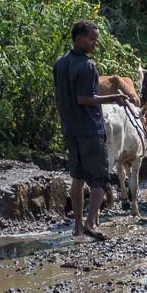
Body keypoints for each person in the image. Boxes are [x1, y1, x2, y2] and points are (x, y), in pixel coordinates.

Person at [53, 20, 130, 241]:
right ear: (78, 39)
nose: (95, 43)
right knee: (99, 179)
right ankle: (90, 223)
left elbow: (59, 96)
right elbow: (85, 99)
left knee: (77, 178)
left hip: (70, 129)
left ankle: (77, 227)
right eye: (91, 39)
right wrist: (114, 98)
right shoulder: (87, 66)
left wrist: (65, 119)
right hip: (89, 129)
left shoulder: (60, 63)